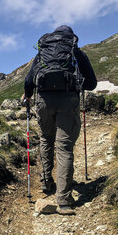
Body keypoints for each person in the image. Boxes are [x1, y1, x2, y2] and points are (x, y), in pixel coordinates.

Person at [23, 25, 97, 215]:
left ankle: (47, 183)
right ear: (71, 37)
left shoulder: (43, 52)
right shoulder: (75, 52)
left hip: (44, 102)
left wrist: (29, 95)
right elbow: (92, 83)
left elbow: (29, 80)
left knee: (46, 139)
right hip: (68, 101)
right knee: (64, 147)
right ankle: (63, 201)